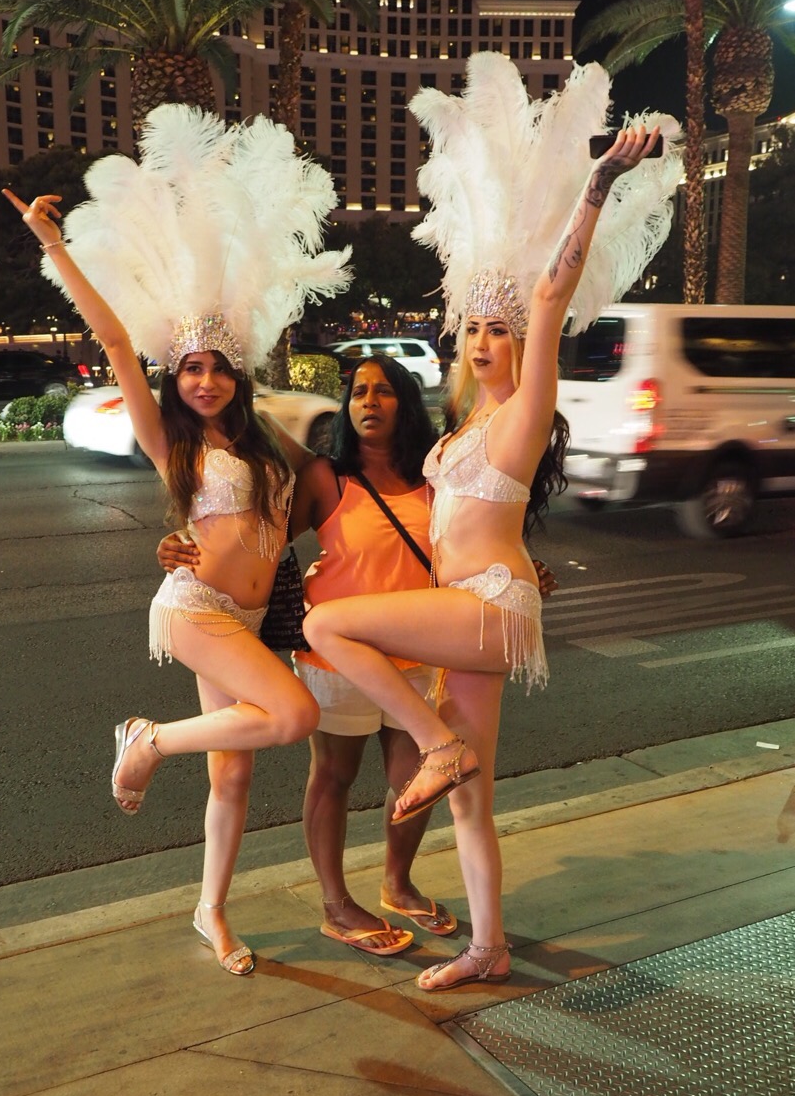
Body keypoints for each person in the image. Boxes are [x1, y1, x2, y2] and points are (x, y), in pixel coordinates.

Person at [303, 54, 682, 991]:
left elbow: (549, 294)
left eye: (498, 329)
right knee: (471, 800)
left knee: (328, 628)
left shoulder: (521, 416)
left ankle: (434, 747)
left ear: (521, 342)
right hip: (469, 610)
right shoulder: (463, 427)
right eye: (472, 327)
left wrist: (596, 184)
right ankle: (488, 946)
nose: (482, 340)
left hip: (486, 605)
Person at [5, 104, 351, 977]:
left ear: (237, 375)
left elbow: (309, 511)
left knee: (232, 776)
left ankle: (211, 913)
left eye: (215, 368)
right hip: (195, 611)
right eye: (191, 368)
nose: (202, 380)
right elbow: (115, 340)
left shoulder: (269, 444)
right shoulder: (175, 444)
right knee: (294, 715)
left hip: (250, 618)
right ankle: (147, 739)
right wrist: (54, 247)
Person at [158, 355, 558, 956]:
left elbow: (472, 542)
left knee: (413, 781)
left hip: (416, 654)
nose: (369, 402)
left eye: (384, 391)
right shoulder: (327, 478)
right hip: (337, 660)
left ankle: (398, 883)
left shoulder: (436, 476)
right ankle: (336, 904)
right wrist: (180, 542)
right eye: (358, 392)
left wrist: (523, 571)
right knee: (334, 777)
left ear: (406, 403)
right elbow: (257, 533)